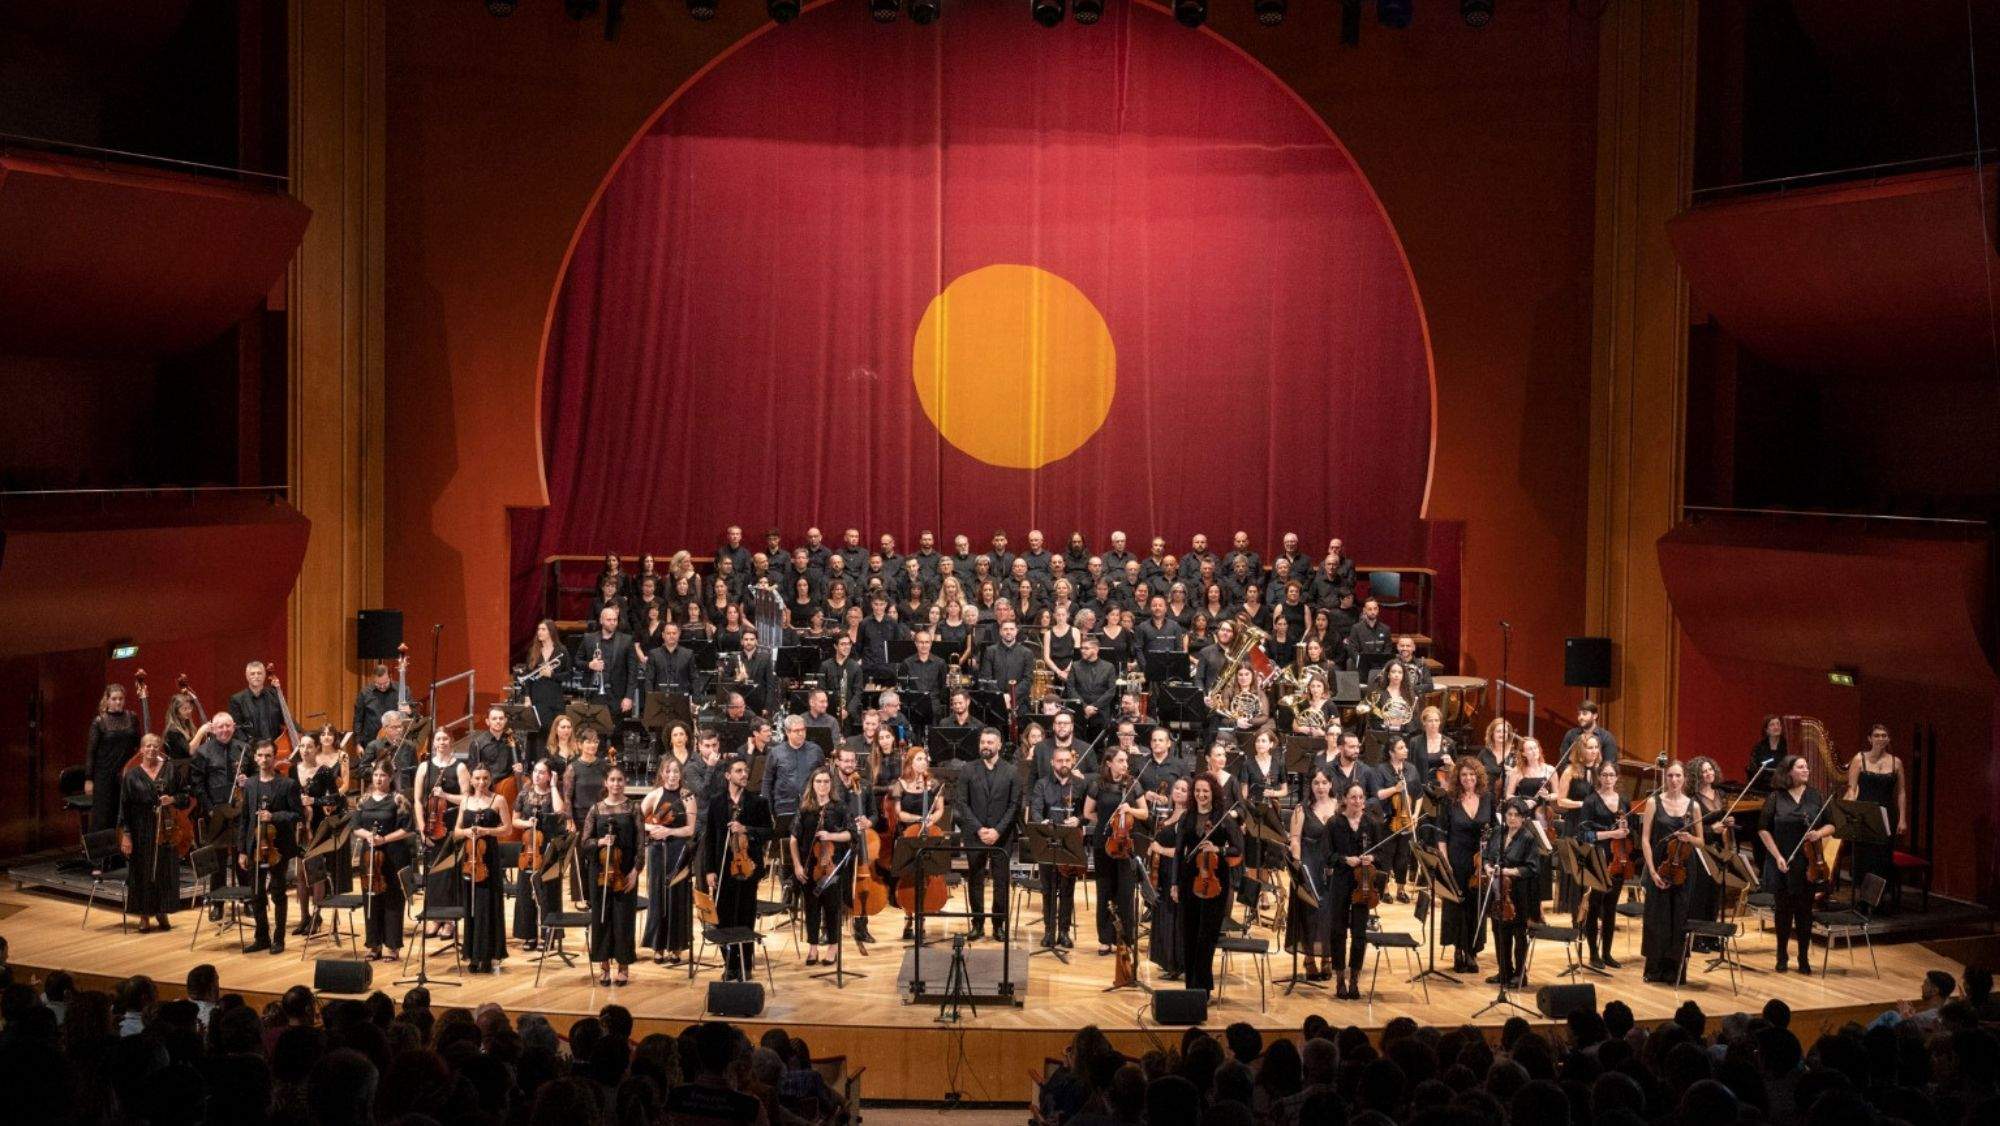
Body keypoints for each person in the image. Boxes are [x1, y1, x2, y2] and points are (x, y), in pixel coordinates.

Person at [1759, 753, 1835, 975]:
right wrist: (1777, 856)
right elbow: (1763, 828)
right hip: (1781, 861)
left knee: (1804, 912)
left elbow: (1831, 825)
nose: (1806, 770)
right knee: (1783, 912)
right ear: (1789, 771)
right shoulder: (1776, 797)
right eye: (1801, 767)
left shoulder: (1816, 796)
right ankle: (1781, 955)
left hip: (1808, 863)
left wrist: (1818, 833)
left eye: (1807, 767)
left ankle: (1803, 958)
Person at [700, 757, 773, 981]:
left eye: (746, 770)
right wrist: (709, 870)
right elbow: (710, 837)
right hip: (723, 868)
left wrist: (746, 829)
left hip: (748, 868)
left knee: (745, 916)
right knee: (722, 917)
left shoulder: (757, 802)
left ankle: (745, 964)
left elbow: (769, 831)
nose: (744, 774)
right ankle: (729, 964)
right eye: (739, 771)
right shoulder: (717, 801)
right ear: (727, 775)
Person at [1174, 772, 1242, 993]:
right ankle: (1190, 988)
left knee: (1206, 936)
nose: (1201, 794)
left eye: (1205, 791)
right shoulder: (1187, 817)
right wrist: (1175, 883)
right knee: (1189, 934)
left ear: (1213, 792)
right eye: (1197, 791)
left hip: (1216, 882)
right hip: (1189, 881)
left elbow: (1238, 848)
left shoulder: (1223, 817)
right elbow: (1178, 852)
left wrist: (1218, 849)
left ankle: (1202, 988)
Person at [1639, 761, 1703, 984]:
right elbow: (1645, 839)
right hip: (1659, 864)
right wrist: (1652, 871)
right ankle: (1654, 969)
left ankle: (1675, 971)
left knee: (1679, 918)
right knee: (1657, 918)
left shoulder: (1693, 806)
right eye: (1670, 776)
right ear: (1665, 778)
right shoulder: (1653, 802)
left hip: (1684, 868)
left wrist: (1689, 838)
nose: (1674, 780)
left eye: (1678, 776)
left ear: (1684, 778)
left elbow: (1701, 842)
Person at [237, 740, 303, 954]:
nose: (264, 760)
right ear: (255, 757)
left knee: (277, 892)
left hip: (278, 847)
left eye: (268, 756)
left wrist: (273, 816)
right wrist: (242, 851)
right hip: (254, 846)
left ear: (274, 758)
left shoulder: (287, 784)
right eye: (260, 756)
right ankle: (261, 937)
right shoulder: (250, 784)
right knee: (256, 893)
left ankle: (279, 939)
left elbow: (297, 814)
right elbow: (245, 819)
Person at [1083, 747, 1149, 956]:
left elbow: (1145, 813)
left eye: (1126, 761)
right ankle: (1105, 939)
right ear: (1109, 763)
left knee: (1125, 892)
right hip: (1104, 843)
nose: (1125, 764)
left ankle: (1126, 939)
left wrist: (1129, 811)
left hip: (1126, 845)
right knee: (1104, 891)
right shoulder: (1097, 785)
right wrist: (1109, 822)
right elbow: (1087, 812)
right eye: (1121, 760)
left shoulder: (1132, 784)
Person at [958, 727, 1020, 942]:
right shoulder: (968, 769)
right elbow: (962, 804)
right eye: (983, 742)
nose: (986, 746)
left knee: (1001, 881)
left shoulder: (1011, 771)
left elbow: (1014, 806)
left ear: (999, 745)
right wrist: (979, 829)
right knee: (975, 879)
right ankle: (977, 924)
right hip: (975, 834)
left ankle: (998, 924)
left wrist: (997, 831)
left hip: (1001, 835)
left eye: (990, 742)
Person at [119, 734, 186, 933]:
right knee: (142, 872)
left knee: (165, 871)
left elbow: (185, 797)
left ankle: (162, 911)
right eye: (147, 746)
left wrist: (172, 799)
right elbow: (124, 808)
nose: (151, 749)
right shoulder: (131, 775)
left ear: (159, 749)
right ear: (141, 750)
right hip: (140, 830)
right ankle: (144, 915)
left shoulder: (170, 770)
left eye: (155, 746)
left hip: (166, 828)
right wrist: (126, 834)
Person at [582, 764, 641, 986]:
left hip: (624, 873)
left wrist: (636, 871)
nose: (616, 784)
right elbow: (584, 843)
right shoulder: (595, 810)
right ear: (605, 783)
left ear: (624, 782)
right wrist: (600, 842)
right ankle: (604, 965)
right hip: (599, 873)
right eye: (612, 780)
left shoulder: (633, 808)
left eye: (620, 780)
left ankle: (623, 966)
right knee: (601, 919)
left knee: (624, 919)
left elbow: (640, 845)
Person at [1328, 779, 1385, 998]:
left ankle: (1355, 980)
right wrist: (1345, 860)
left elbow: (1381, 854)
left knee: (1359, 933)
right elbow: (1328, 855)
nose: (1358, 801)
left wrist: (1373, 857)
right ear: (1344, 800)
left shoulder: (1371, 824)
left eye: (1361, 797)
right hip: (1341, 882)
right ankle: (1340, 979)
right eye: (1353, 797)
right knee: (1338, 932)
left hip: (1364, 886)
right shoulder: (1334, 824)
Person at [294, 726, 352, 937]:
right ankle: (304, 918)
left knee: (316, 873)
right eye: (302, 746)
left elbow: (335, 798)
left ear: (315, 748)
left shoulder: (325, 771)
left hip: (318, 826)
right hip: (301, 827)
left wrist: (314, 801)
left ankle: (317, 915)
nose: (306, 750)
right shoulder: (294, 770)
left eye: (310, 746)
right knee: (300, 875)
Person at [350, 763, 412, 962]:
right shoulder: (364, 800)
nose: (378, 779)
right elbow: (356, 827)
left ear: (390, 777)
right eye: (376, 775)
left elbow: (407, 829)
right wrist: (368, 835)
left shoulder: (399, 799)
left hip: (393, 855)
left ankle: (392, 946)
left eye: (383, 775)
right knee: (371, 899)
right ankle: (373, 945)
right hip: (370, 857)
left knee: (393, 900)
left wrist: (384, 839)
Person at [791, 768, 853, 966]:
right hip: (810, 867)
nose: (822, 786)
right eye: (818, 782)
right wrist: (797, 866)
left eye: (826, 782)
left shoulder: (840, 807)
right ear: (812, 784)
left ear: (831, 784)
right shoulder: (805, 809)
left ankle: (833, 946)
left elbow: (851, 834)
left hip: (833, 868)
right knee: (811, 907)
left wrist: (831, 836)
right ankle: (813, 947)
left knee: (832, 907)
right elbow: (793, 839)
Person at [454, 764, 512, 974]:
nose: (481, 782)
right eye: (477, 778)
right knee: (471, 906)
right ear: (471, 780)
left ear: (490, 779)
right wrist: (469, 831)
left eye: (485, 778)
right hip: (471, 860)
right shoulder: (465, 802)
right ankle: (471, 953)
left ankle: (487, 954)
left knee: (488, 906)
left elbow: (508, 828)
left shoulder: (498, 800)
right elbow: (457, 831)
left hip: (489, 859)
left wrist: (486, 830)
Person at [639, 758, 698, 965]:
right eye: (668, 771)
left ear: (680, 774)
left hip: (678, 851)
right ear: (662, 774)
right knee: (658, 896)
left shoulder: (688, 797)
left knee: (677, 897)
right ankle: (658, 945)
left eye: (676, 771)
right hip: (657, 852)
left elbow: (690, 829)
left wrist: (668, 831)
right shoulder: (654, 795)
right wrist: (652, 829)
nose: (672, 775)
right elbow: (637, 820)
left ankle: (676, 946)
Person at [413, 728, 469, 939]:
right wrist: (421, 828)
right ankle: (435, 917)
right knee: (434, 873)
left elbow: (466, 799)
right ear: (433, 742)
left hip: (452, 825)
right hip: (430, 825)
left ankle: (450, 921)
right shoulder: (424, 767)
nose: (442, 742)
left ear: (451, 741)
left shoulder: (460, 767)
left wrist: (445, 794)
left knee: (451, 873)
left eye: (446, 738)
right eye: (438, 738)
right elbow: (418, 800)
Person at [887, 749, 948, 942]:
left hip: (928, 833)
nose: (923, 762)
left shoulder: (934, 784)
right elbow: (899, 813)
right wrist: (918, 818)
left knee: (928, 873)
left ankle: (922, 920)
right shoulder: (900, 785)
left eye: (925, 759)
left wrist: (931, 820)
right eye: (919, 759)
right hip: (908, 835)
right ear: (910, 762)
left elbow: (940, 810)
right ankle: (909, 916)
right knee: (909, 876)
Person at [1573, 761, 1630, 969]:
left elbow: (1630, 828)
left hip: (1619, 857)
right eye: (1604, 775)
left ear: (1617, 777)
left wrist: (1626, 831)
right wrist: (1611, 833)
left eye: (1611, 775)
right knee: (1595, 905)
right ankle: (1593, 954)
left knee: (1611, 906)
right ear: (1599, 777)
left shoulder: (1623, 800)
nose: (1607, 779)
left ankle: (1607, 953)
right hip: (1597, 857)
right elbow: (1583, 834)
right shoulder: (1590, 801)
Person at [1032, 745, 1089, 949]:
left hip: (1070, 842)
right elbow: (1036, 812)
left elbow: (1088, 813)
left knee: (1067, 889)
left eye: (1067, 761)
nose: (1063, 764)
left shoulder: (1080, 785)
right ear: (1052, 762)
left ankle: (1064, 932)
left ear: (1072, 761)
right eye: (1059, 761)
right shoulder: (1042, 784)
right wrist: (1043, 823)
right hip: (1048, 841)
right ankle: (1049, 931)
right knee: (1048, 889)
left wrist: (1079, 820)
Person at [511, 758, 570, 954]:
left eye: (542, 772)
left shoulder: (554, 793)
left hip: (548, 849)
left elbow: (559, 811)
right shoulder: (524, 794)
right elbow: (515, 820)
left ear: (550, 775)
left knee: (548, 893)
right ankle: (529, 934)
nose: (537, 775)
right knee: (526, 892)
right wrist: (528, 824)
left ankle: (548, 934)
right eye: (535, 771)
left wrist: (553, 786)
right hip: (529, 848)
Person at [1481, 798, 1541, 990]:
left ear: (1523, 818)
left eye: (1517, 815)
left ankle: (1519, 974)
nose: (1512, 818)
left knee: (1518, 933)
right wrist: (1488, 867)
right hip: (1498, 890)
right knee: (1499, 931)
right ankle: (1504, 971)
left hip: (1519, 893)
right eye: (1509, 814)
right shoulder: (1498, 832)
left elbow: (1531, 868)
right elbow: (1486, 856)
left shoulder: (1528, 838)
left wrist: (1506, 872)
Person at [1440, 759, 1493, 974]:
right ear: (1458, 778)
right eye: (1464, 775)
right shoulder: (1449, 799)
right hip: (1456, 858)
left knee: (1476, 904)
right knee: (1457, 905)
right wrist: (1445, 862)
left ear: (1478, 776)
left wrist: (1488, 857)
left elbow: (1494, 828)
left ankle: (1472, 951)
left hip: (1479, 860)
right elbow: (1442, 834)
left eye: (1472, 775)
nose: (1468, 779)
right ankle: (1458, 950)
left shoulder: (1487, 797)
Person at [1285, 770, 1338, 983]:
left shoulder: (1339, 806)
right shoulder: (1301, 809)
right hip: (1310, 862)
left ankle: (1327, 956)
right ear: (1311, 785)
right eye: (1316, 783)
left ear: (1331, 784)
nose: (1320, 787)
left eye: (1324, 782)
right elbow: (1295, 839)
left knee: (1330, 912)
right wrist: (1298, 865)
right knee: (1310, 912)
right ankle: (1309, 958)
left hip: (1333, 864)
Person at [1845, 723, 1905, 908]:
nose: (1881, 739)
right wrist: (1848, 811)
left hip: (1887, 815)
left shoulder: (1896, 762)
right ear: (1869, 738)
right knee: (1865, 857)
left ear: (1888, 739)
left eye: (1884, 736)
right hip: (1864, 815)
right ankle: (1864, 900)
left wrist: (1903, 818)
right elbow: (1852, 789)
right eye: (1877, 735)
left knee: (1882, 858)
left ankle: (1878, 900)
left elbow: (1902, 792)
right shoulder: (1859, 759)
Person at [1368, 736, 1423, 902]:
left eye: (1405, 747)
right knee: (1386, 855)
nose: (1405, 750)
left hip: (1406, 819)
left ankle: (1400, 889)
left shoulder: (1411, 769)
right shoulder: (1380, 770)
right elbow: (1377, 794)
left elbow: (1419, 794)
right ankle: (1384, 889)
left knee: (1403, 856)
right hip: (1387, 819)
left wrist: (1415, 815)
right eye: (1400, 748)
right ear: (1391, 752)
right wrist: (1395, 788)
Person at [85, 683, 141, 834]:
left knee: (124, 814)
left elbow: (139, 744)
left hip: (126, 774)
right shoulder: (99, 722)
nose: (118, 702)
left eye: (121, 699)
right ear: (107, 700)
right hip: (105, 775)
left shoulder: (132, 718)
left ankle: (121, 853)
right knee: (104, 816)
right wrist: (89, 779)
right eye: (114, 699)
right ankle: (101, 855)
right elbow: (91, 752)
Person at [573, 604, 636, 715]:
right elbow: (577, 661)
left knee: (617, 730)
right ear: (601, 621)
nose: (613, 622)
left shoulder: (627, 640)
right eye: (609, 620)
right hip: (595, 694)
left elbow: (632, 671)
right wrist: (590, 665)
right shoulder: (589, 638)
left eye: (615, 620)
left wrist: (629, 697)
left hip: (618, 696)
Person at [762, 715, 823, 821]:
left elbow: (825, 777)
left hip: (811, 806)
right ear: (787, 732)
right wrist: (768, 811)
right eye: (796, 731)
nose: (801, 734)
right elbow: (767, 783)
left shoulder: (816, 750)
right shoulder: (775, 752)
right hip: (784, 807)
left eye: (803, 729)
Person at [227, 661, 289, 746]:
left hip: (275, 747)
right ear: (247, 676)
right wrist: (251, 747)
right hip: (250, 749)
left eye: (259, 673)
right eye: (252, 674)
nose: (256, 676)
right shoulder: (237, 700)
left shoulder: (274, 695)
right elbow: (237, 728)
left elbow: (286, 719)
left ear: (264, 676)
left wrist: (302, 733)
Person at [352, 663, 402, 747]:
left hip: (395, 741)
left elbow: (412, 713)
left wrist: (409, 710)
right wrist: (358, 743)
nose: (382, 687)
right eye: (378, 684)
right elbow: (358, 720)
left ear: (390, 677)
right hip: (370, 741)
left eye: (385, 683)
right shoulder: (365, 693)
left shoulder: (401, 690)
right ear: (373, 679)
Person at [1559, 700, 1620, 765]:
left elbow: (1609, 765)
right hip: (1574, 773)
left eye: (1584, 713)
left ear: (1595, 716)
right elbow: (1563, 763)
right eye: (1579, 714)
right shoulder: (1571, 734)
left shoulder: (1606, 737)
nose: (1581, 717)